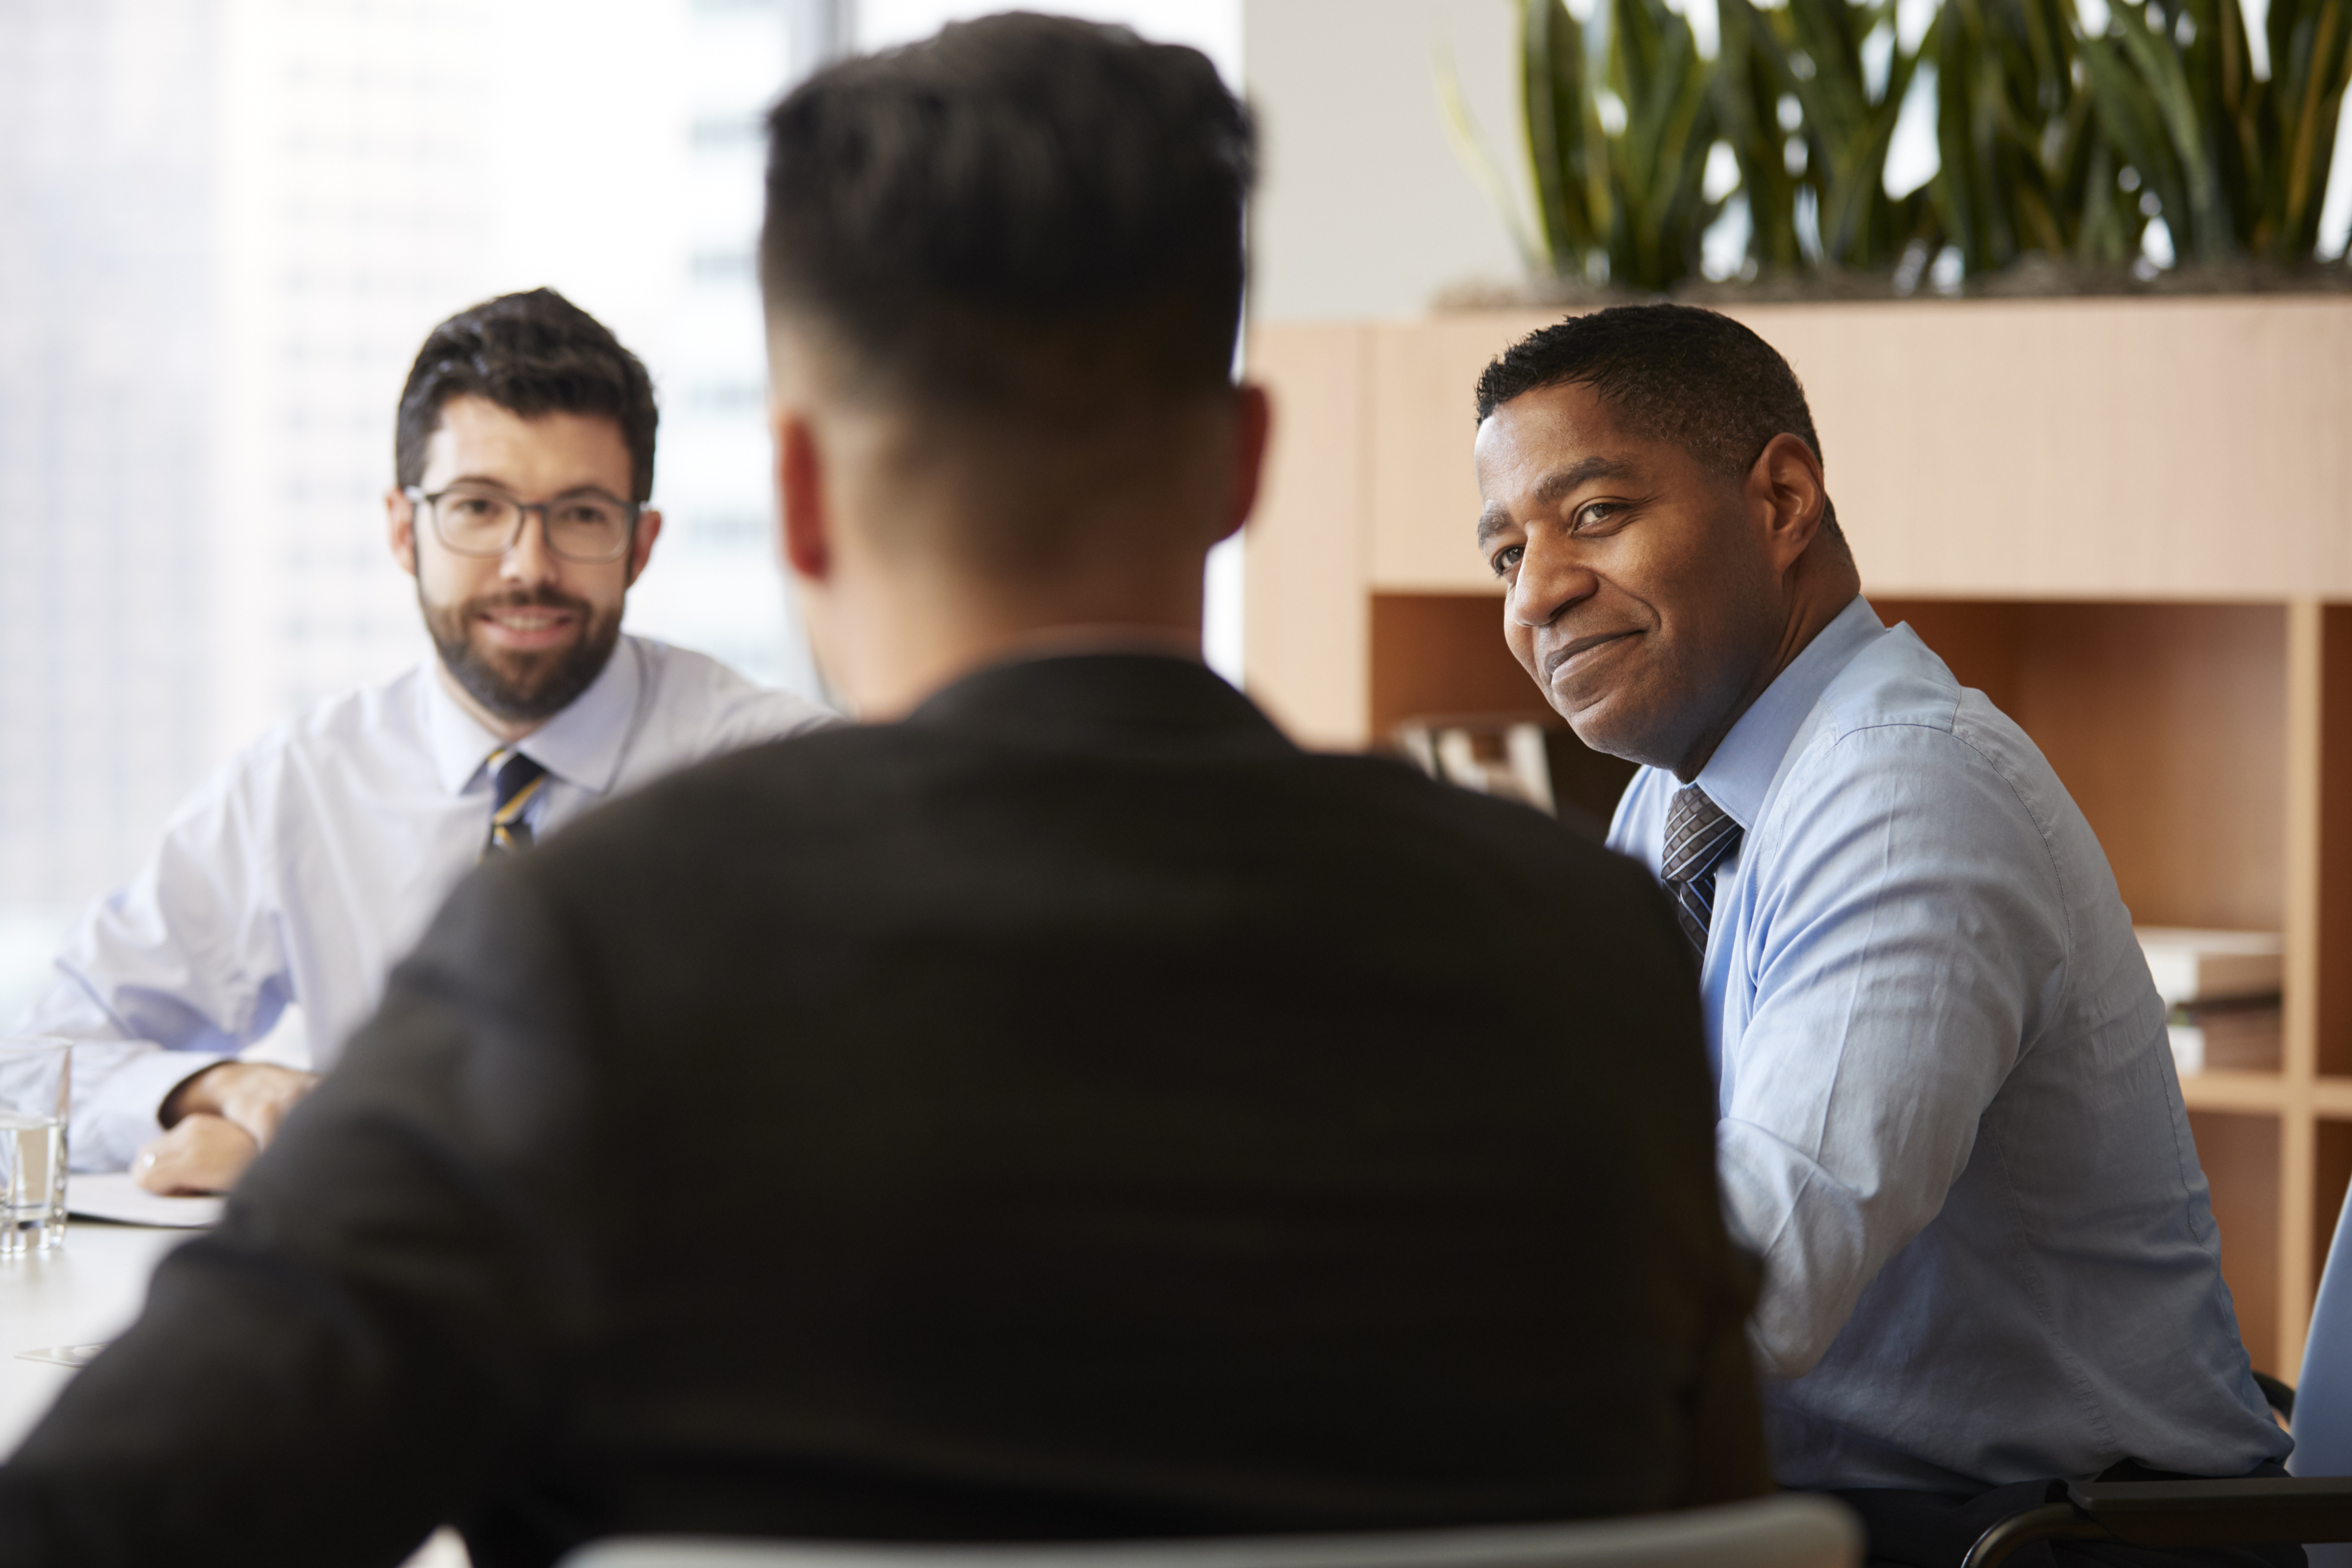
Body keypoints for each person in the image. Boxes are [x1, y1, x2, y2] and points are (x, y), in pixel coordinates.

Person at [0, 17, 1769, 1565]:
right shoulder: (1588, 951)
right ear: (1240, 464)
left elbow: (106, 1516)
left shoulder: (588, 954)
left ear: (796, 496)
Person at [1471, 303, 2292, 1564]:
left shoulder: (1906, 787)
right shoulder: (1672, 803)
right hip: (1876, 1512)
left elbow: (1753, 1277)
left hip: (2058, 1540)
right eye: (1503, 555)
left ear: (1784, 498)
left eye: (1592, 515)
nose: (1538, 593)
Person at [16, 288, 834, 1194]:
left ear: (639, 545)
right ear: (404, 530)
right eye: (479, 508)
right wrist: (217, 1087)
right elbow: (33, 1061)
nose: (529, 564)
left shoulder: (782, 774)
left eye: (581, 515)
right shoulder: (302, 783)